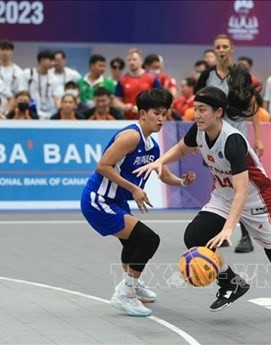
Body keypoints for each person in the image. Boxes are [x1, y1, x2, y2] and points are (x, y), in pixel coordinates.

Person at [134, 71, 271, 318]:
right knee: (195, 236)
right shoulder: (199, 130)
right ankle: (230, 282)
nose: (196, 114)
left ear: (218, 113)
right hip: (223, 196)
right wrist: (160, 162)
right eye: (196, 109)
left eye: (202, 110)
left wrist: (228, 228)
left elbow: (243, 191)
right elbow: (182, 148)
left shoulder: (233, 142)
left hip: (258, 202)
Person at [80, 89, 195, 317]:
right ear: (143, 113)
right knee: (148, 239)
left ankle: (132, 285)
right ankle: (125, 293)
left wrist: (182, 182)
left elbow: (163, 175)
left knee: (132, 244)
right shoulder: (131, 136)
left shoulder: (153, 146)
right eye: (157, 113)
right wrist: (134, 188)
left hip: (118, 200)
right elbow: (102, 166)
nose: (161, 118)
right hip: (99, 199)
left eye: (165, 114)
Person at [195, 33, 263, 253]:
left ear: (232, 48)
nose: (221, 50)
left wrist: (258, 137)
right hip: (215, 138)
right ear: (214, 50)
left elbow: (253, 106)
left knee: (239, 187)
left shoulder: (241, 74)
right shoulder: (206, 75)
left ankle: (245, 235)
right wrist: (198, 136)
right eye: (218, 47)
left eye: (225, 46)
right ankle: (223, 230)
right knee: (220, 184)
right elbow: (199, 107)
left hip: (237, 137)